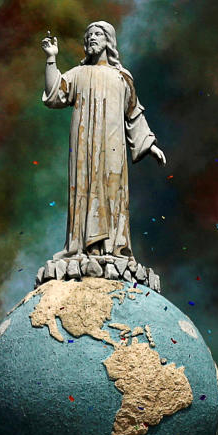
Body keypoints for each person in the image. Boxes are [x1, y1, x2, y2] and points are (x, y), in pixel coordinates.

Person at [41, 21, 166, 261]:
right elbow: (55, 92)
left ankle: (111, 246)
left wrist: (149, 145)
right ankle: (82, 246)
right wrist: (51, 59)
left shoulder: (122, 77)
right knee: (85, 186)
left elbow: (133, 114)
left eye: (97, 34)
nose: (91, 39)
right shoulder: (78, 74)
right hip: (84, 146)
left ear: (109, 40)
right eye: (88, 36)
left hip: (113, 146)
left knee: (112, 188)